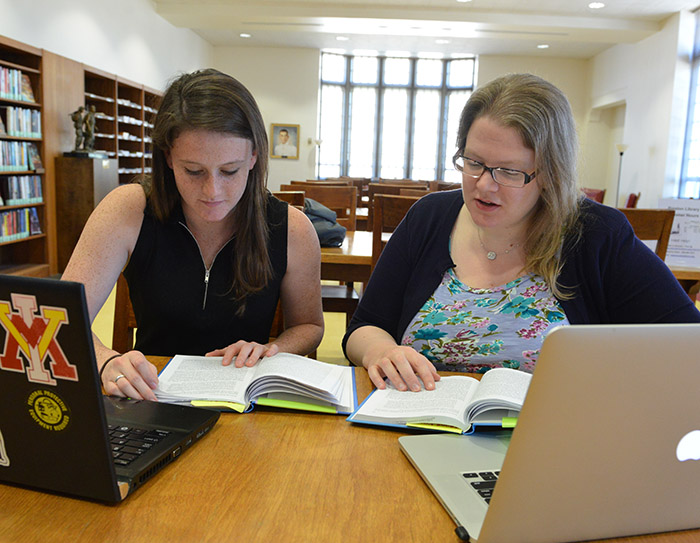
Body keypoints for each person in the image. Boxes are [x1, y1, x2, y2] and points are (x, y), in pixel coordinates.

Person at [343, 73, 700, 393]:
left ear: (549, 174)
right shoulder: (429, 217)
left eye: (509, 172)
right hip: (418, 426)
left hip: (551, 441)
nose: (484, 185)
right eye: (474, 162)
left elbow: (686, 343)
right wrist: (381, 350)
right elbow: (366, 324)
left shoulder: (594, 234)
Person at [62, 68, 324, 401]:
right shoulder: (128, 209)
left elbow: (310, 327)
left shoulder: (292, 228)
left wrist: (271, 349)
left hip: (244, 402)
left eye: (230, 170)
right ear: (168, 156)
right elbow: (61, 316)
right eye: (194, 171)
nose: (213, 191)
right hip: (149, 397)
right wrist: (105, 361)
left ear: (254, 157)